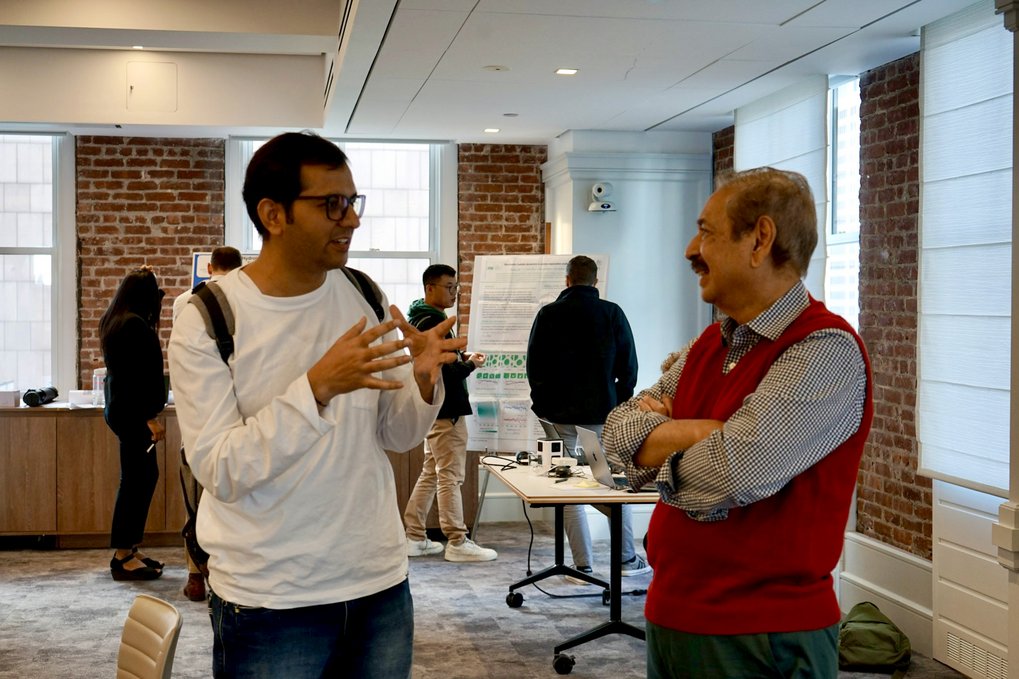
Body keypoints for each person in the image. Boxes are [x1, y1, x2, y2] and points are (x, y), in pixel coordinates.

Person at [168, 131, 464, 679]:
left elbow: (396, 435)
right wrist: (316, 388)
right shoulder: (209, 316)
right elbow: (221, 469)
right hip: (270, 597)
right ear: (273, 214)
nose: (350, 219)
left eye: (353, 202)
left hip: (377, 581)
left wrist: (423, 382)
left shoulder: (363, 292)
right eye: (332, 204)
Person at [602, 167, 873, 679]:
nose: (689, 249)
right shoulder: (711, 344)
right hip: (674, 615)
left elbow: (735, 471)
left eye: (706, 231)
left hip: (763, 637)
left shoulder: (824, 349)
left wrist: (662, 448)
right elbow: (615, 438)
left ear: (760, 239)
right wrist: (706, 430)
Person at [526, 255, 648, 582]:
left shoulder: (549, 314)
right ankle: (625, 560)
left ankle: (581, 567)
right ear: (595, 282)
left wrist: (544, 405)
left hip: (559, 420)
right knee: (607, 483)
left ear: (567, 280)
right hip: (599, 420)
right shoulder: (611, 313)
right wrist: (617, 404)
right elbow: (629, 369)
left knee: (569, 487)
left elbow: (535, 368)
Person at [403, 264, 498, 562]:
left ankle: (415, 536)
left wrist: (462, 357)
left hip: (434, 407)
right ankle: (457, 540)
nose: (454, 292)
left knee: (432, 472)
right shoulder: (433, 320)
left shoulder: (420, 317)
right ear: (430, 287)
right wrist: (471, 364)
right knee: (450, 476)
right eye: (449, 287)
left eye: (456, 287)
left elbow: (441, 362)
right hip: (448, 409)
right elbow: (447, 371)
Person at [170, 245, 243, 603]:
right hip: (241, 421)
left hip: (197, 425)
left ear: (210, 266)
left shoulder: (186, 302)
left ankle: (195, 575)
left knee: (195, 502)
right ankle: (228, 573)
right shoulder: (250, 301)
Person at [99, 266, 168, 581]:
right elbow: (139, 377)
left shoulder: (116, 320)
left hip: (121, 410)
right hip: (134, 414)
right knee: (138, 479)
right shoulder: (134, 326)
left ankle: (128, 549)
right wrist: (149, 417)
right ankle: (123, 554)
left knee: (140, 477)